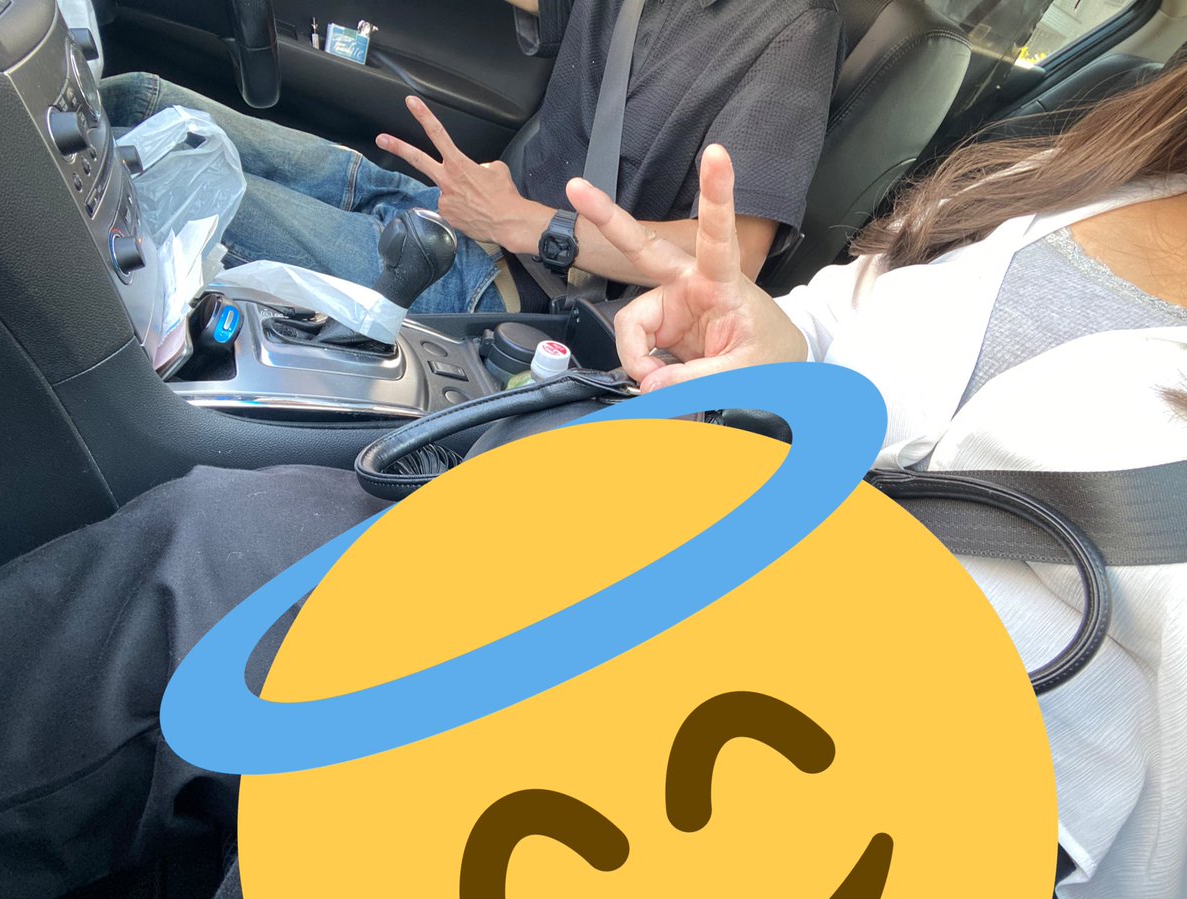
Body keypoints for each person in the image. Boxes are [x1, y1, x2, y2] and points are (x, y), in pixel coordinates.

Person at [565, 66, 1187, 898]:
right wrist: (773, 343)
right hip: (671, 651)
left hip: (897, 836)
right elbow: (836, 322)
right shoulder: (1063, 175)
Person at [100, 0, 844, 315]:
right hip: (458, 208)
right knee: (136, 102)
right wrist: (495, 211)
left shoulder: (793, 31)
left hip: (517, 294)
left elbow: (734, 261)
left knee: (144, 184)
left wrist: (525, 224)